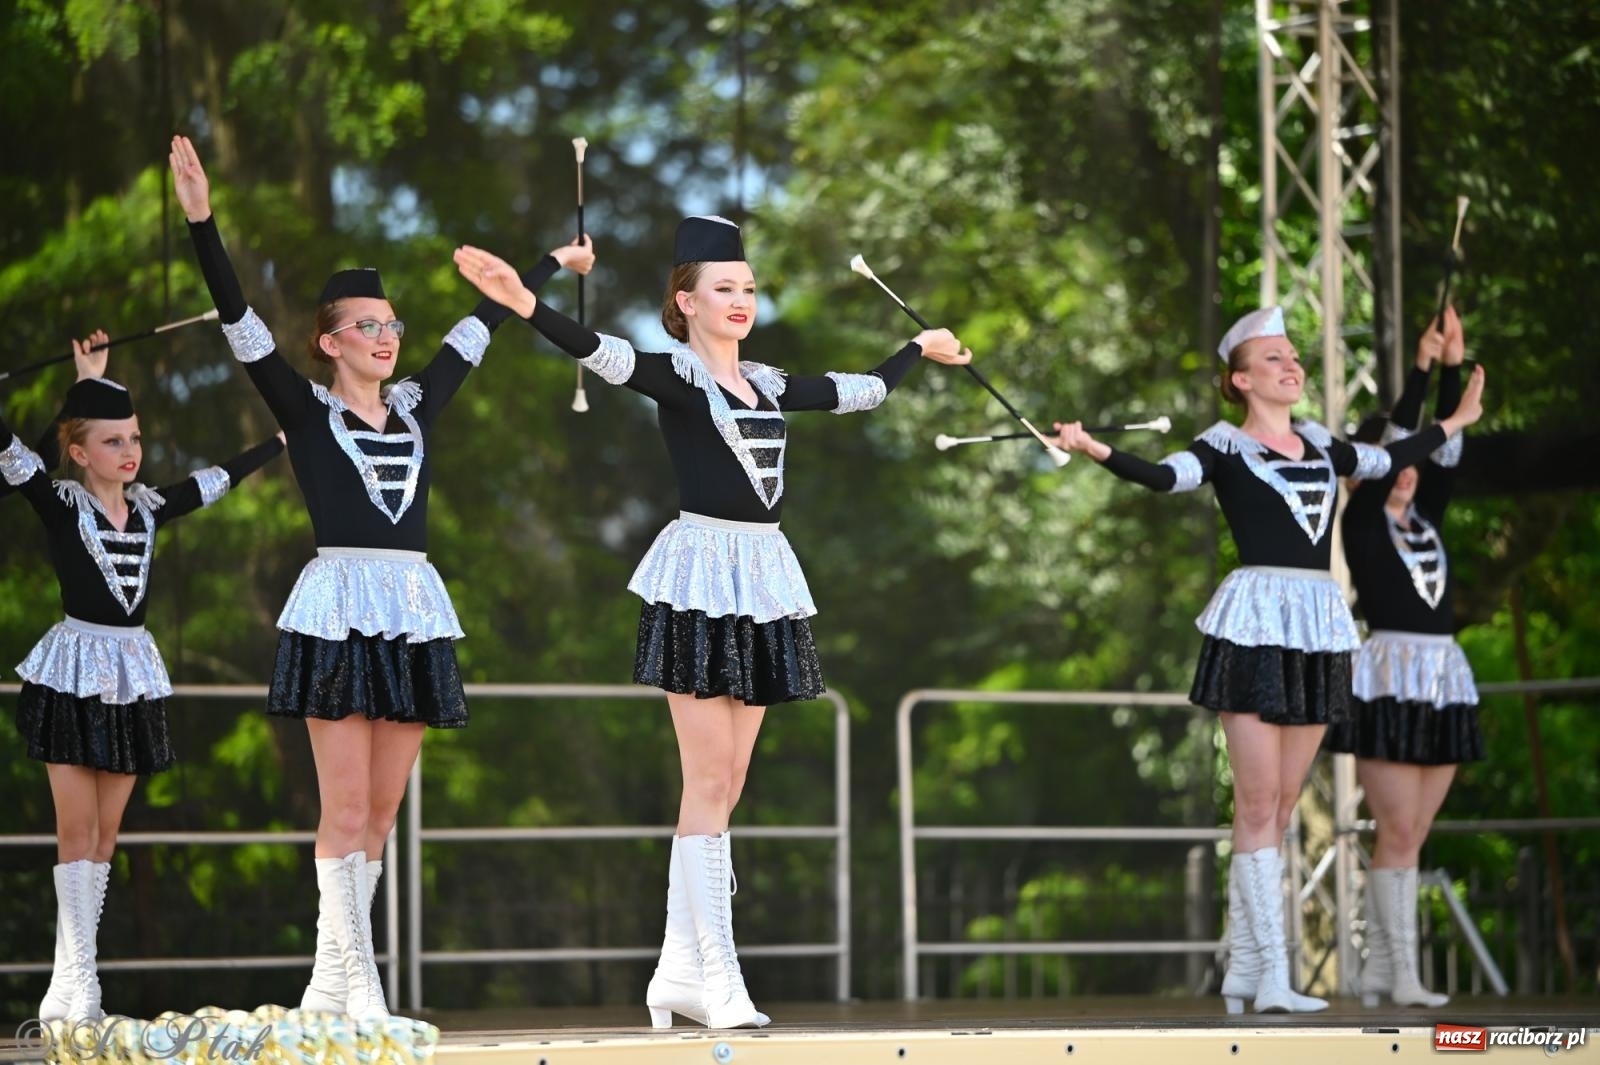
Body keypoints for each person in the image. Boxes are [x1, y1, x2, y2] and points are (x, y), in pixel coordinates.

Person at [450, 215, 970, 1028]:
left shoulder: (766, 381)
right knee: (705, 779)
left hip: (763, 578)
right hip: (699, 576)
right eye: (724, 288)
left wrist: (920, 348)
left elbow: (856, 390)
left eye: (750, 289)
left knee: (728, 785)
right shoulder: (676, 375)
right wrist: (525, 297)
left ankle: (677, 968)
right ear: (684, 301)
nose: (741, 300)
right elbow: (599, 352)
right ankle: (714, 969)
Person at [169, 134, 593, 1017]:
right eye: (368, 325)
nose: (387, 336)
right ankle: (353, 974)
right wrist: (204, 221)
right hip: (338, 602)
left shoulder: (417, 404)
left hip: (411, 602)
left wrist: (550, 260)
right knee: (347, 801)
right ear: (329, 341)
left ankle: (334, 977)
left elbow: (486, 323)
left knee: (386, 810)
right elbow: (238, 319)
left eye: (393, 324)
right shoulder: (303, 406)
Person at [1052, 306, 1485, 1013]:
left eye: (1294, 355)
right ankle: (1272, 972)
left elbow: (1388, 458)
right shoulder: (1221, 444)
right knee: (1256, 803)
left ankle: (1246, 972)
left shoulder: (1320, 441)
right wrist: (1095, 448)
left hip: (1317, 623)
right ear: (1242, 378)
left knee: (1281, 805)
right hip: (1255, 620)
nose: (1293, 365)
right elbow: (1163, 477)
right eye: (1276, 357)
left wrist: (1454, 415)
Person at [0, 336, 282, 1023]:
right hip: (73, 672)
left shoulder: (151, 507)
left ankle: (72, 982)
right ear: (79, 451)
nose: (129, 451)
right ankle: (77, 983)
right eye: (111, 440)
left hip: (132, 673)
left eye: (134, 437)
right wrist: (77, 388)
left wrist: (280, 440)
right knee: (76, 833)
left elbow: (212, 482)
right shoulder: (59, 501)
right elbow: (17, 460)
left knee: (105, 838)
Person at [1328, 305, 1480, 1008]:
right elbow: (1400, 445)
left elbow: (1441, 450)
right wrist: (1419, 369)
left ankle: (1387, 970)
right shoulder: (1359, 517)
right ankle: (1397, 970)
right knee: (1393, 827)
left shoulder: (1427, 516)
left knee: (1417, 829)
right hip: (1389, 672)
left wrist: (1453, 362)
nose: (1413, 471)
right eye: (1399, 463)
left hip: (1443, 674)